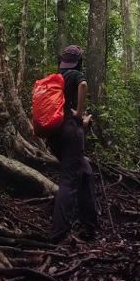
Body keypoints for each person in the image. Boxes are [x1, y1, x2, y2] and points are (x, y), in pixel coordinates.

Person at [49, 44, 98, 241]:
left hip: (56, 133)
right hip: (71, 131)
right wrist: (80, 115)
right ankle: (59, 234)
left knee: (85, 171)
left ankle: (89, 225)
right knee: (68, 180)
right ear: (78, 62)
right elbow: (83, 85)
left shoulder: (58, 76)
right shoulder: (75, 75)